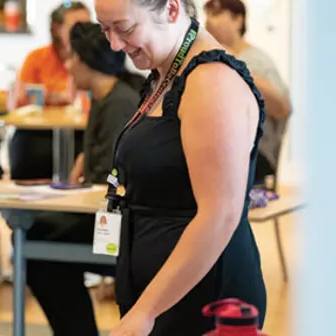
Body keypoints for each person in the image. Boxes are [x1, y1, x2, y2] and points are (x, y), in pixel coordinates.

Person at [94, 0, 267, 335]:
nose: (114, 44)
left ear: (171, 10)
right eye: (105, 30)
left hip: (202, 295)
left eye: (125, 28)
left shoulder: (212, 81)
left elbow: (219, 215)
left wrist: (145, 311)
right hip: (163, 293)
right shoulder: (166, 72)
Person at [24, 22, 141, 336]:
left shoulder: (119, 104)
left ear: (90, 60)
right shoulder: (106, 98)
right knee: (34, 235)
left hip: (117, 231)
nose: (68, 64)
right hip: (106, 218)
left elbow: (110, 182)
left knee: (34, 245)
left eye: (73, 57)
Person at [204, 0, 291, 184]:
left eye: (217, 13)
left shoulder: (258, 62)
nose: (209, 21)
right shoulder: (209, 62)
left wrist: (233, 61)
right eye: (207, 14)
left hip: (254, 152)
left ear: (238, 19)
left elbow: (282, 108)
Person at [8, 1, 91, 181]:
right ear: (57, 29)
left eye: (89, 26)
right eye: (77, 27)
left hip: (81, 135)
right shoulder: (37, 58)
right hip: (38, 136)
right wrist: (57, 97)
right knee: (26, 146)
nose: (85, 33)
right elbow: (21, 100)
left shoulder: (96, 63)